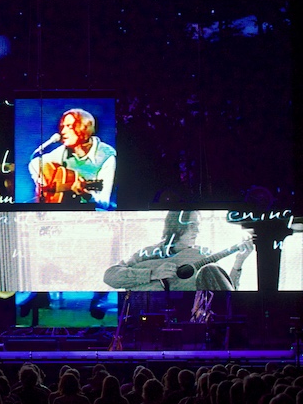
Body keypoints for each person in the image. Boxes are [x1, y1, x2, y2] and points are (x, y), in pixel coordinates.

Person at [103, 210, 254, 292]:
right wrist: (153, 274)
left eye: (198, 226)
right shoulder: (149, 253)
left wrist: (238, 263)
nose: (197, 231)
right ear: (176, 226)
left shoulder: (201, 255)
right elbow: (110, 276)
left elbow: (228, 296)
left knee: (212, 269)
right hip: (152, 313)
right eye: (191, 225)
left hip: (193, 316)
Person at [28, 108, 116, 209]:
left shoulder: (106, 156)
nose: (63, 132)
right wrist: (42, 182)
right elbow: (34, 163)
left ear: (85, 128)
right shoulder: (63, 151)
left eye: (69, 126)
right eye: (62, 127)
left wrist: (86, 195)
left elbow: (104, 203)